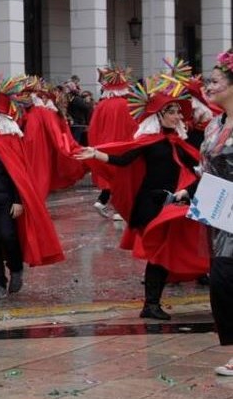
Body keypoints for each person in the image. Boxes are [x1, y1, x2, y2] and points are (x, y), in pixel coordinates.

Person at [76, 79, 209, 320]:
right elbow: (123, 159)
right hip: (152, 203)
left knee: (171, 250)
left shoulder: (180, 142)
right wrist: (96, 153)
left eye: (179, 111)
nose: (178, 115)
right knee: (159, 253)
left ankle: (155, 301)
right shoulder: (150, 141)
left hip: (173, 203)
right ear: (159, 115)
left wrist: (189, 189)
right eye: (172, 111)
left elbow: (196, 169)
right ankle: (150, 304)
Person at [0, 78, 65, 301]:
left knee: (7, 236)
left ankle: (15, 267)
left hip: (5, 198)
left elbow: (19, 173)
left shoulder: (9, 139)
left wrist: (18, 200)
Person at [189, 50, 233, 375]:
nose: (209, 86)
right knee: (221, 282)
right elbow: (206, 169)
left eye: (215, 81)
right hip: (221, 216)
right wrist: (187, 192)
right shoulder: (213, 126)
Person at [88, 67, 137, 221]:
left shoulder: (101, 105)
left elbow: (93, 127)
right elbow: (133, 126)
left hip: (104, 146)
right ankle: (118, 210)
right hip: (122, 145)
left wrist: (95, 145)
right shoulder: (127, 105)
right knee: (122, 177)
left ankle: (102, 201)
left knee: (110, 177)